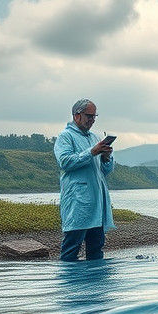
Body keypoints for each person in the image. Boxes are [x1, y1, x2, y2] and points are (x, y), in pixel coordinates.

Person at [54, 99, 115, 261]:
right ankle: (68, 285)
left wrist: (106, 158)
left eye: (94, 116)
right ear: (76, 116)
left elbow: (106, 171)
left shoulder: (95, 138)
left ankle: (95, 285)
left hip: (97, 203)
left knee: (96, 249)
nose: (92, 120)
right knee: (71, 248)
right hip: (78, 201)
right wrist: (92, 152)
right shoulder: (65, 137)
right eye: (89, 116)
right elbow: (65, 162)